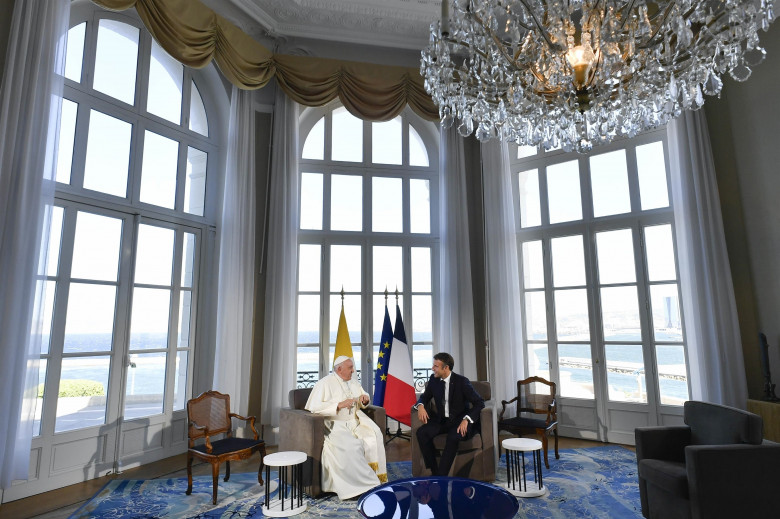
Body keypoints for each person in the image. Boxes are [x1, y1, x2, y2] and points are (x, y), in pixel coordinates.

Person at [304, 355, 387, 499]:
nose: (353, 371)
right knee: (352, 446)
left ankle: (375, 478)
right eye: (350, 368)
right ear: (339, 369)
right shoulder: (324, 383)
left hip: (356, 421)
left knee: (374, 436)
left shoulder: (353, 382)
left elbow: (363, 396)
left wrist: (364, 399)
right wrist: (339, 405)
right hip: (335, 423)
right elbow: (314, 408)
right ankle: (361, 486)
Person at [414, 352, 484, 477]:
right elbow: (424, 397)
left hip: (459, 420)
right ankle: (435, 471)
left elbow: (479, 403)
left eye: (436, 366)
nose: (432, 368)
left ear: (446, 368)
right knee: (421, 433)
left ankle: (441, 477)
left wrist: (466, 420)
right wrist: (420, 406)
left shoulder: (462, 382)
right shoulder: (433, 380)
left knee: (452, 437)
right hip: (442, 421)